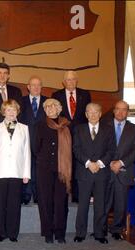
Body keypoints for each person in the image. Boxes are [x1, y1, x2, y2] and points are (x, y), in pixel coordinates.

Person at [0, 99, 30, 242]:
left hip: (17, 172)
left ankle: (12, 233)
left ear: (18, 111)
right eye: (8, 110)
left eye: (14, 109)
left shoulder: (24, 128)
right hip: (0, 172)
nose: (11, 112)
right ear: (3, 112)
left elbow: (26, 152)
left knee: (14, 204)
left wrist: (26, 173)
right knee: (0, 204)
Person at [73, 102, 115, 244]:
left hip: (101, 172)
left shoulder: (108, 130)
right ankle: (80, 233)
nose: (92, 114)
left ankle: (99, 233)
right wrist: (88, 163)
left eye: (95, 112)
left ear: (100, 113)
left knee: (100, 205)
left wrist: (99, 164)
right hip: (84, 172)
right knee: (83, 204)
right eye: (89, 112)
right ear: (85, 114)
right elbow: (76, 149)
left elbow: (111, 151)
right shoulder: (79, 129)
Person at [34, 98, 72, 243]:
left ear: (59, 108)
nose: (50, 109)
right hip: (44, 169)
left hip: (62, 171)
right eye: (47, 107)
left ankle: (60, 233)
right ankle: (48, 233)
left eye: (53, 106)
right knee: (45, 201)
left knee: (61, 202)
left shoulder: (66, 126)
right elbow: (35, 147)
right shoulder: (40, 126)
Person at [52, 70, 92, 202]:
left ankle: (76, 196)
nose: (71, 82)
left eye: (73, 79)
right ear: (63, 82)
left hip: (81, 137)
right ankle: (63, 195)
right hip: (64, 137)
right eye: (68, 80)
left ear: (77, 81)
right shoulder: (56, 95)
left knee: (79, 165)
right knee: (64, 165)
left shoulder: (85, 95)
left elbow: (89, 117)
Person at [105, 100, 135, 240]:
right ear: (114, 111)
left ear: (128, 112)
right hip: (106, 170)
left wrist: (120, 163)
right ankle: (100, 228)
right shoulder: (104, 126)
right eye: (118, 109)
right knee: (104, 202)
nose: (120, 112)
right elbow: (99, 147)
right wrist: (109, 163)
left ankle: (116, 230)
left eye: (124, 109)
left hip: (124, 171)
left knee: (121, 203)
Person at [19, 75, 47, 205]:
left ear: (41, 87)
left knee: (40, 171)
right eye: (33, 85)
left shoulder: (48, 102)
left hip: (43, 143)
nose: (36, 87)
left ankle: (38, 196)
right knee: (25, 169)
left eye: (38, 85)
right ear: (28, 87)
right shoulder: (21, 101)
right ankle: (25, 195)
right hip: (25, 141)